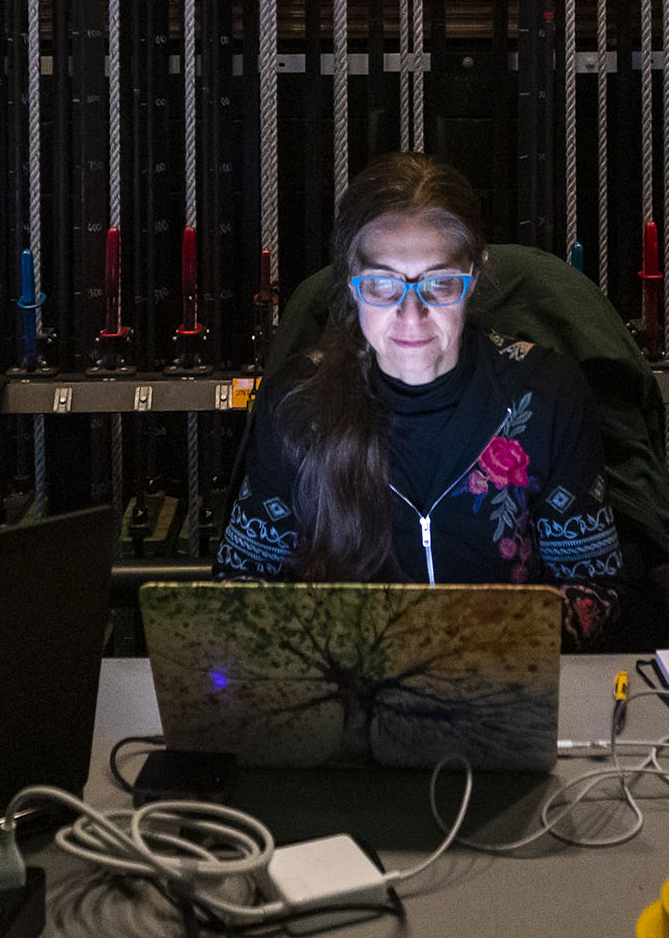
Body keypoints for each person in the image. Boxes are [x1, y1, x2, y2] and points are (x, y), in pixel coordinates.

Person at [215, 153, 625, 643]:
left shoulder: (545, 393)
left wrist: (458, 650)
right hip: (344, 695)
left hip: (503, 692)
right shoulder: (298, 402)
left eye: (440, 284)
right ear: (350, 278)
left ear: (475, 273)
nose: (412, 316)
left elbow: (593, 589)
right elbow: (242, 588)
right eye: (382, 285)